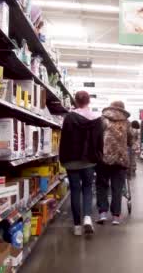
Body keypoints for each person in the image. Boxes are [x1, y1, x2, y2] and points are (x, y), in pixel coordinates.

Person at [59, 91, 103, 236]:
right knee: (87, 189)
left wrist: (62, 158)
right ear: (89, 101)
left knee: (75, 190)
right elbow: (99, 141)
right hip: (89, 160)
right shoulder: (97, 119)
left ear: (76, 101)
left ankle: (77, 226)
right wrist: (98, 156)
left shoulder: (69, 117)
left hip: (71, 160)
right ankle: (88, 218)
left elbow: (64, 139)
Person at [97, 100, 133, 225]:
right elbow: (131, 140)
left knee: (102, 185)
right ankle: (116, 216)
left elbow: (96, 137)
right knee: (117, 188)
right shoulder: (126, 122)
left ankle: (102, 214)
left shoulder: (102, 120)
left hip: (104, 159)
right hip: (121, 159)